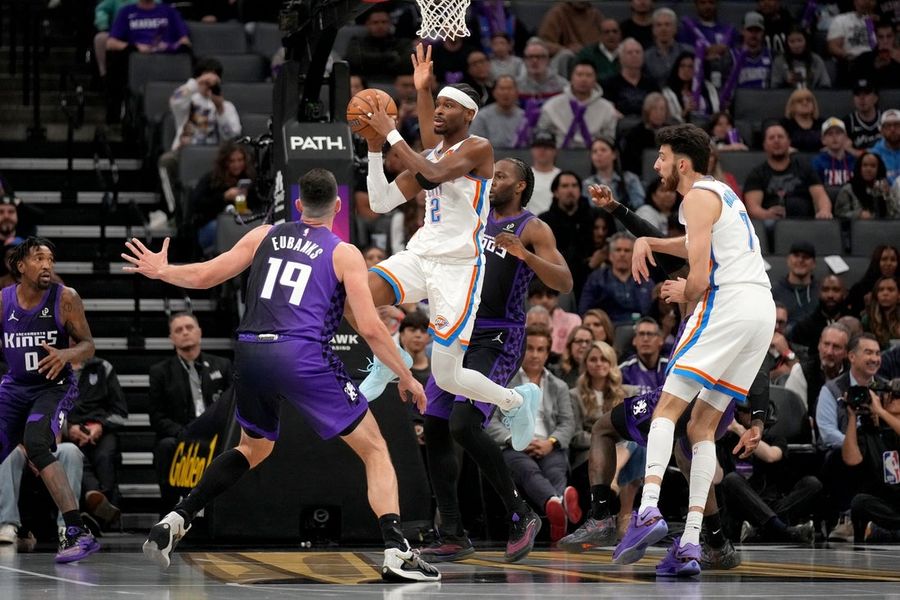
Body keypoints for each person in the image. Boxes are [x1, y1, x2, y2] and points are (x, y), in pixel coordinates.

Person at [124, 168, 440, 582]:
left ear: (297, 204)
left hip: (252, 353)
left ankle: (176, 518)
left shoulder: (264, 234)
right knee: (375, 448)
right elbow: (369, 328)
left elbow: (204, 275)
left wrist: (162, 271)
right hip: (302, 354)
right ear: (339, 206)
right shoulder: (344, 252)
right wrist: (408, 376)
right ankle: (397, 549)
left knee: (254, 448)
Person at [358, 45, 542, 452]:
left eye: (447, 106)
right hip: (421, 255)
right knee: (358, 295)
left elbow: (435, 173)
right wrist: (374, 148)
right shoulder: (431, 153)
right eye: (436, 105)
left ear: (469, 114)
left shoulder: (479, 149)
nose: (438, 111)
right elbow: (380, 202)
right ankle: (393, 361)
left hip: (460, 268)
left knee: (447, 376)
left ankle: (516, 400)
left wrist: (390, 131)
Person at [613, 123, 774, 576]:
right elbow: (693, 244)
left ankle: (646, 510)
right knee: (703, 428)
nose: (658, 165)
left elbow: (700, 276)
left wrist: (687, 291)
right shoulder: (719, 195)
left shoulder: (695, 197)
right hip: (760, 309)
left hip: (729, 302)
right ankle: (688, 545)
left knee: (667, 408)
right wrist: (649, 240)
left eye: (662, 157)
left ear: (682, 162)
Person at [417, 157, 573, 563]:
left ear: (520, 186)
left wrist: (526, 256)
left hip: (498, 335)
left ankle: (520, 513)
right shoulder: (472, 216)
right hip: (457, 329)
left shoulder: (532, 227)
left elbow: (564, 281)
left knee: (465, 424)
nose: (493, 181)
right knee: (435, 425)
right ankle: (452, 531)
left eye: (501, 176)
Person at [0, 237, 99, 562]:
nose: (47, 265)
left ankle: (76, 531)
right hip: (15, 387)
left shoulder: (65, 298)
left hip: (52, 388)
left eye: (51, 260)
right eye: (39, 259)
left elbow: (88, 345)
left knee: (37, 443)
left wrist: (66, 353)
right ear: (20, 266)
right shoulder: (3, 301)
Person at [486, 325, 577, 545]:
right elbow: (491, 421)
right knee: (528, 470)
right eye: (530, 349)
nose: (535, 355)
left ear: (547, 353)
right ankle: (557, 502)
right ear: (521, 350)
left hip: (549, 444)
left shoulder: (559, 386)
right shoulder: (504, 381)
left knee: (556, 467)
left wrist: (551, 442)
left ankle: (556, 505)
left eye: (541, 349)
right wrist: (514, 439)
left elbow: (567, 423)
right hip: (514, 445)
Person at [148, 312, 233, 515]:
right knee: (165, 446)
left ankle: (228, 514)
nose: (185, 332)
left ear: (199, 332)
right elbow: (157, 417)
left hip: (216, 436)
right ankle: (171, 513)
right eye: (179, 330)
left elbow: (232, 406)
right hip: (181, 436)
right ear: (172, 339)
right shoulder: (160, 372)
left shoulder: (223, 365)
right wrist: (184, 433)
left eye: (189, 327)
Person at [158, 58, 242, 222]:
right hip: (184, 153)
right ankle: (174, 211)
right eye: (206, 79)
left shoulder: (226, 106)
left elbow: (233, 135)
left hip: (217, 156)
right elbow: (174, 101)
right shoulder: (187, 100)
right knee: (166, 161)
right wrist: (196, 84)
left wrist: (220, 109)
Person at [64, 355, 128, 526]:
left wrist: (100, 425)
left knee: (105, 455)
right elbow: (43, 409)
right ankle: (96, 505)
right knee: (73, 454)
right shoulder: (52, 367)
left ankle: (98, 508)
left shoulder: (102, 366)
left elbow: (121, 412)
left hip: (100, 429)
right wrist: (67, 429)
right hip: (64, 430)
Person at [104, 0, 190, 123]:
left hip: (167, 60)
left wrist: (167, 47)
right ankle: (116, 116)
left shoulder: (169, 12)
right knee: (116, 63)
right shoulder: (126, 12)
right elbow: (111, 43)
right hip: (136, 60)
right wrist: (136, 47)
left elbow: (185, 42)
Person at [843, 385, 900, 542]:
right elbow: (851, 460)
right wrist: (852, 417)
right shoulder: (872, 431)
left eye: (896, 396)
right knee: (859, 502)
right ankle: (886, 532)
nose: (892, 400)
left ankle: (884, 533)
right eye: (891, 396)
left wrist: (881, 412)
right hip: (888, 503)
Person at [743, 123, 833, 220]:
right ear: (764, 145)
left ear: (789, 142)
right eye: (771, 138)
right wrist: (766, 215)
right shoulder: (756, 174)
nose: (776, 141)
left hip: (805, 224)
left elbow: (820, 196)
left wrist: (825, 211)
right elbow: (753, 208)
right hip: (770, 226)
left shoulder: (805, 169)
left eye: (780, 137)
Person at [190, 142, 261, 254]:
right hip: (212, 226)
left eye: (240, 160)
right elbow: (196, 204)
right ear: (224, 162)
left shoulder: (251, 180)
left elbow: (259, 205)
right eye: (232, 161)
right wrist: (224, 197)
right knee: (220, 228)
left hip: (242, 224)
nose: (237, 164)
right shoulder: (211, 179)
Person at [538, 170, 601, 298]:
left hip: (592, 278)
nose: (570, 190)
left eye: (574, 186)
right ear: (555, 192)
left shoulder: (594, 217)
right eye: (565, 186)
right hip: (555, 281)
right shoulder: (543, 221)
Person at [785, 323, 850, 437]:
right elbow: (795, 416)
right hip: (811, 438)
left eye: (836, 347)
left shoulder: (852, 373)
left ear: (846, 352)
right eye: (826, 344)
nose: (829, 352)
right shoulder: (801, 371)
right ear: (819, 344)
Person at [537, 60, 618, 149]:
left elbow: (610, 138)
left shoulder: (607, 108)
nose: (584, 79)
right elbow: (542, 134)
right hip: (559, 155)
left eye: (588, 75)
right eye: (579, 75)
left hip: (595, 155)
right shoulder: (552, 106)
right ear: (571, 78)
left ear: (595, 79)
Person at [578, 233, 655, 324]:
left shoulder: (646, 282)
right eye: (618, 250)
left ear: (635, 255)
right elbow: (584, 311)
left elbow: (652, 315)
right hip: (608, 330)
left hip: (640, 332)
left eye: (627, 250)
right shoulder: (596, 279)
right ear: (610, 255)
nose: (622, 254)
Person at [343, 6, 414, 81]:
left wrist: (370, 63)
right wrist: (389, 57)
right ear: (367, 24)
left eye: (384, 22)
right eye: (375, 22)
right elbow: (354, 60)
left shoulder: (402, 43)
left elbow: (407, 64)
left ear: (390, 24)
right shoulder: (357, 42)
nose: (380, 26)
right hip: (364, 84)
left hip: (394, 84)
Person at [620, 93, 676, 178]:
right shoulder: (635, 133)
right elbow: (629, 162)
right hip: (641, 176)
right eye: (654, 109)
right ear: (647, 111)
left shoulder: (672, 133)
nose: (659, 113)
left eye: (662, 109)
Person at [600, 39, 659, 118]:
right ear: (620, 58)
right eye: (629, 52)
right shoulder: (609, 84)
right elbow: (607, 108)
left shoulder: (652, 84)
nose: (634, 55)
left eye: (638, 52)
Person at [582, 137, 645, 210]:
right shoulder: (587, 183)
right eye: (594, 151)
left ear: (614, 154)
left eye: (603, 150)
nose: (598, 154)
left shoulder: (630, 178)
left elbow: (639, 205)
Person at [771, 242, 821, 329]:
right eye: (796, 256)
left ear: (814, 264)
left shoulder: (821, 292)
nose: (800, 260)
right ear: (788, 260)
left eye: (806, 257)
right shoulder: (774, 291)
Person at [661, 52, 720, 125]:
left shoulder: (708, 87)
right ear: (677, 68)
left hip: (707, 130)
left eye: (690, 66)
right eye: (682, 66)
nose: (686, 70)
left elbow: (716, 111)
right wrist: (685, 111)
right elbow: (668, 120)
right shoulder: (668, 93)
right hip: (682, 131)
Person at [834, 151, 896, 219]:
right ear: (859, 168)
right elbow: (839, 213)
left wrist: (887, 196)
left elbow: (893, 215)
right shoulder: (848, 189)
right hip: (856, 227)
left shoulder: (884, 189)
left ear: (879, 169)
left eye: (873, 166)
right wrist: (858, 214)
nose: (868, 169)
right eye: (865, 165)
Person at [470, 75, 524, 149]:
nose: (506, 92)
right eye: (502, 89)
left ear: (517, 93)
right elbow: (474, 145)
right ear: (494, 93)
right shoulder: (482, 117)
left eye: (509, 88)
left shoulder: (524, 117)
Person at [644, 8, 692, 88]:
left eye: (667, 24)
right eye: (659, 25)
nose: (663, 29)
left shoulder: (688, 52)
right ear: (653, 30)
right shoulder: (646, 57)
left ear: (675, 28)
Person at [620, 317, 668, 396]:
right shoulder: (623, 371)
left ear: (661, 340)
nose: (645, 339)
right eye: (641, 334)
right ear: (634, 340)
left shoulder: (671, 369)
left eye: (650, 334)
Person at [848, 245, 899, 317]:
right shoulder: (859, 289)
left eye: (893, 260)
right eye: (884, 259)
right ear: (876, 262)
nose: (889, 263)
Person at [813, 118, 856, 192]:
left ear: (845, 137)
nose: (834, 137)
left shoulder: (854, 161)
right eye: (830, 134)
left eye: (838, 133)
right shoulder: (817, 162)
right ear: (823, 140)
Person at [575, 19, 622, 83]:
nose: (611, 35)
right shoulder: (587, 53)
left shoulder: (628, 53)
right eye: (606, 32)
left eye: (615, 31)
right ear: (600, 35)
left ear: (620, 34)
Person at [843, 79, 883, 154]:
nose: (862, 98)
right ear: (853, 99)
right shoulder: (847, 123)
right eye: (858, 94)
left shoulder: (886, 119)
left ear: (875, 98)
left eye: (866, 93)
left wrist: (853, 151)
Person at [781, 89, 825, 154]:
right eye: (799, 101)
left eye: (808, 100)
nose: (805, 103)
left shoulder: (823, 123)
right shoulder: (784, 124)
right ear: (792, 106)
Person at [527, 130, 561, 216]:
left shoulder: (562, 177)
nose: (542, 150)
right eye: (538, 146)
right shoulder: (524, 176)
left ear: (555, 151)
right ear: (532, 150)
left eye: (547, 147)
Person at [862, 276, 900, 349]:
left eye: (891, 290)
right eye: (881, 290)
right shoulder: (867, 320)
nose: (885, 293)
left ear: (899, 295)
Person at [870, 109, 900, 185]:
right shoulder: (873, 155)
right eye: (888, 126)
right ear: (881, 130)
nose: (892, 129)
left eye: (897, 125)